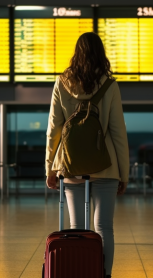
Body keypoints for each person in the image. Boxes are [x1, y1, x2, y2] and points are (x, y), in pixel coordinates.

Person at [45, 32, 129, 278]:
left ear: (76, 53)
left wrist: (50, 167)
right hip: (106, 167)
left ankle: (78, 273)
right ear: (101, 53)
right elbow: (118, 133)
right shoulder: (110, 85)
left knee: (77, 228)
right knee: (104, 228)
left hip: (71, 168)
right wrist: (123, 173)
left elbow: (54, 130)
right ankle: (103, 274)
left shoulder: (62, 83)